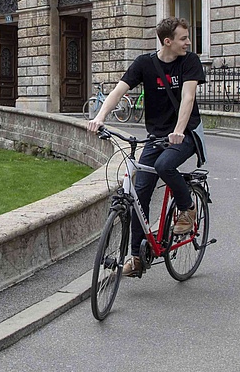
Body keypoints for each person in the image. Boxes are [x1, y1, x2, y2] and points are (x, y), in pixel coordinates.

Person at [86, 17, 206, 277]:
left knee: (164, 165)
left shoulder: (190, 61)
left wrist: (178, 130)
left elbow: (188, 97)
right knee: (138, 195)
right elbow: (119, 90)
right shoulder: (145, 64)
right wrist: (99, 117)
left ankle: (187, 208)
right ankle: (137, 258)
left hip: (185, 134)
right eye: (183, 38)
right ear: (168, 41)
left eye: (187, 37)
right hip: (156, 136)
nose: (188, 42)